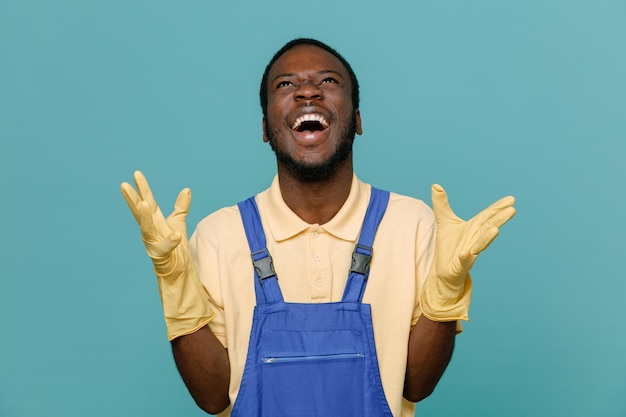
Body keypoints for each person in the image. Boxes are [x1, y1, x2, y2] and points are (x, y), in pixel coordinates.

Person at [121, 38, 516, 417]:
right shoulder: (219, 236)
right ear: (265, 129)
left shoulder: (410, 224)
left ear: (357, 120)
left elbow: (415, 385)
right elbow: (211, 396)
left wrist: (445, 294)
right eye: (286, 84)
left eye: (328, 81)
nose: (307, 93)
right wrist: (174, 281)